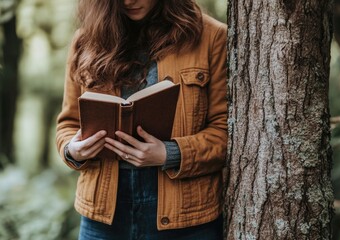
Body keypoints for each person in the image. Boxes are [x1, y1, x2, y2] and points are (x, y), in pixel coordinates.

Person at [56, 0, 227, 239]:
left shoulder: (211, 36)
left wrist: (170, 153)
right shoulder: (85, 40)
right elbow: (68, 124)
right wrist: (73, 150)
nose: (128, 1)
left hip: (186, 213)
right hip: (103, 213)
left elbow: (224, 132)